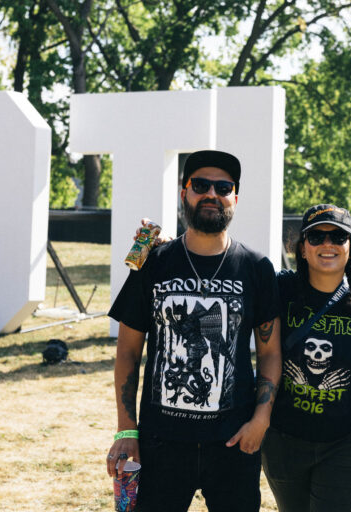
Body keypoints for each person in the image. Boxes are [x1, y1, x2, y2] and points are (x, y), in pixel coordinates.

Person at [105, 150, 282, 512]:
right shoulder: (152, 262)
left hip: (234, 442)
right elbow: (127, 351)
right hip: (161, 442)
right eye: (200, 185)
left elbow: (270, 352)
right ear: (184, 192)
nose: (211, 194)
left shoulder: (256, 267)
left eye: (223, 186)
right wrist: (127, 430)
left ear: (235, 197)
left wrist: (260, 420)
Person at [261, 204, 351, 512]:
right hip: (284, 437)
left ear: (350, 248)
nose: (327, 244)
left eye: (338, 236)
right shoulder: (281, 289)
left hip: (344, 440)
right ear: (302, 248)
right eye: (316, 236)